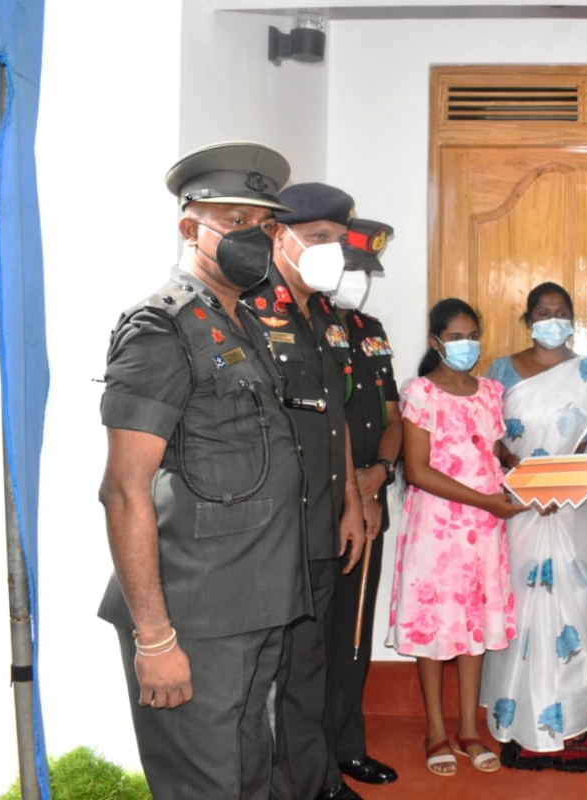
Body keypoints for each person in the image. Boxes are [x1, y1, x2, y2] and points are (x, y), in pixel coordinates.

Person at [97, 141, 312, 797]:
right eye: (237, 222)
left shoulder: (237, 321)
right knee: (207, 786)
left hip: (255, 601)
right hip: (197, 617)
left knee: (249, 776)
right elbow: (124, 491)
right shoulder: (160, 328)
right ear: (191, 226)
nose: (256, 238)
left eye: (266, 225)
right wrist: (156, 638)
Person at [247, 182, 377, 800]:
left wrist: (352, 504)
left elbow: (337, 420)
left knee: (310, 666)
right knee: (268, 675)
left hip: (325, 521)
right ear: (280, 235)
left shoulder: (324, 315)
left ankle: (319, 780)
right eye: (320, 238)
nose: (332, 251)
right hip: (274, 531)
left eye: (338, 240)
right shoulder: (247, 308)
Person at [479, 281, 587, 752]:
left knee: (575, 611)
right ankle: (512, 712)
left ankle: (573, 713)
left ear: (573, 320)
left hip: (575, 512)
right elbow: (488, 436)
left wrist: (565, 478)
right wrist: (523, 476)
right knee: (516, 607)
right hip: (516, 506)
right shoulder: (499, 371)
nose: (553, 319)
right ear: (529, 320)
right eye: (543, 311)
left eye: (562, 311)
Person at [386, 298, 526, 777]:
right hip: (438, 529)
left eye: (473, 335)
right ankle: (435, 731)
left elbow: (492, 446)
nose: (467, 345)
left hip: (484, 532)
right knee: (434, 626)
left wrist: (519, 470)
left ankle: (469, 729)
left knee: (473, 627)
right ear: (435, 342)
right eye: (457, 337)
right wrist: (487, 501)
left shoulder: (490, 390)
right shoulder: (420, 393)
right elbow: (419, 471)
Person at [322, 226, 402, 789]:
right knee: (316, 644)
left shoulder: (369, 332)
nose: (360, 281)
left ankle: (347, 748)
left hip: (369, 502)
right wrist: (356, 489)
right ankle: (314, 764)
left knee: (353, 637)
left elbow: (393, 420)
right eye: (353, 267)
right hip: (322, 507)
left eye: (367, 271)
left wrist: (377, 479)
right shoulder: (302, 323)